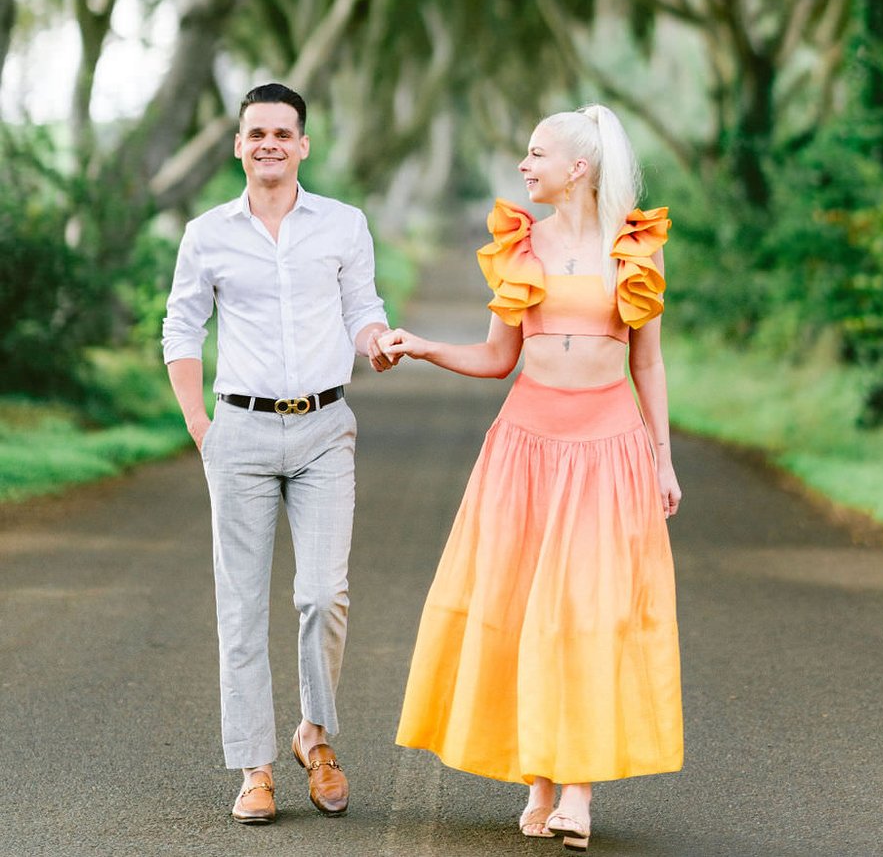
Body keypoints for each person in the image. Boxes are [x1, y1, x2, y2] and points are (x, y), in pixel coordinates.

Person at [372, 104, 683, 852]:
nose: (524, 164)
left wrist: (661, 456)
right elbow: (495, 358)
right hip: (526, 446)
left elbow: (647, 362)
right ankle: (539, 780)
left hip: (608, 448)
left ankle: (577, 787)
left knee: (587, 612)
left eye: (537, 153)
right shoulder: (519, 243)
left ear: (579, 167)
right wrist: (421, 346)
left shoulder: (636, 246)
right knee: (524, 610)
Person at [162, 82, 389, 824]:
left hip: (326, 427)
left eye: (282, 133)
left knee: (323, 594)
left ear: (303, 145)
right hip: (240, 432)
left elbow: (363, 308)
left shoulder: (344, 225)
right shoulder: (207, 234)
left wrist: (375, 344)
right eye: (255, 132)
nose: (268, 143)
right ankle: (255, 768)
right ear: (237, 144)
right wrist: (201, 425)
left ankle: (314, 738)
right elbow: (182, 328)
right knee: (241, 607)